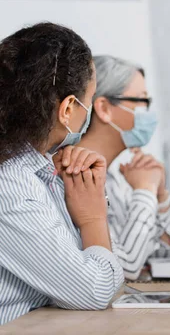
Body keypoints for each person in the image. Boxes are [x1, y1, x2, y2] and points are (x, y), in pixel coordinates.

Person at [0, 23, 124, 325]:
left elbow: (100, 265)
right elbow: (96, 290)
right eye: (89, 100)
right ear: (68, 108)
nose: (89, 113)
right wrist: (93, 217)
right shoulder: (13, 187)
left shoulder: (41, 169)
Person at [77, 56, 170, 280]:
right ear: (104, 108)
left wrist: (160, 197)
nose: (149, 113)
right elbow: (125, 269)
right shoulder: (75, 177)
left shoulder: (119, 176)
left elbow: (166, 261)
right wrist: (145, 191)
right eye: (141, 101)